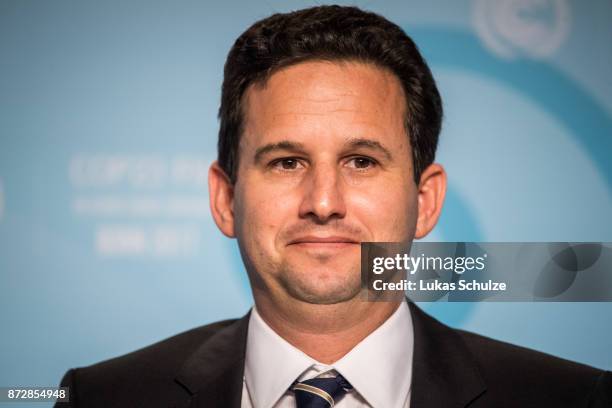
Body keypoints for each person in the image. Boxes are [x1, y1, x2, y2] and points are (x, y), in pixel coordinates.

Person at [55, 5, 611, 407]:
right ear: (225, 199)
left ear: (425, 201)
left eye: (362, 161)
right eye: (286, 162)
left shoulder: (575, 399)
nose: (323, 203)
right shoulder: (102, 397)